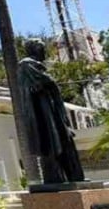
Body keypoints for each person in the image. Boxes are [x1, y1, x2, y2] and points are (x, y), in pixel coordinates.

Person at [13, 39, 85, 185]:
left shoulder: (36, 65)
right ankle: (56, 178)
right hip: (44, 114)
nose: (44, 51)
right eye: (41, 48)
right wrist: (48, 82)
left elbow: (47, 83)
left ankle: (74, 177)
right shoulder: (26, 64)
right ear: (34, 49)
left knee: (65, 141)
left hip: (52, 110)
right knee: (52, 145)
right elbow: (46, 81)